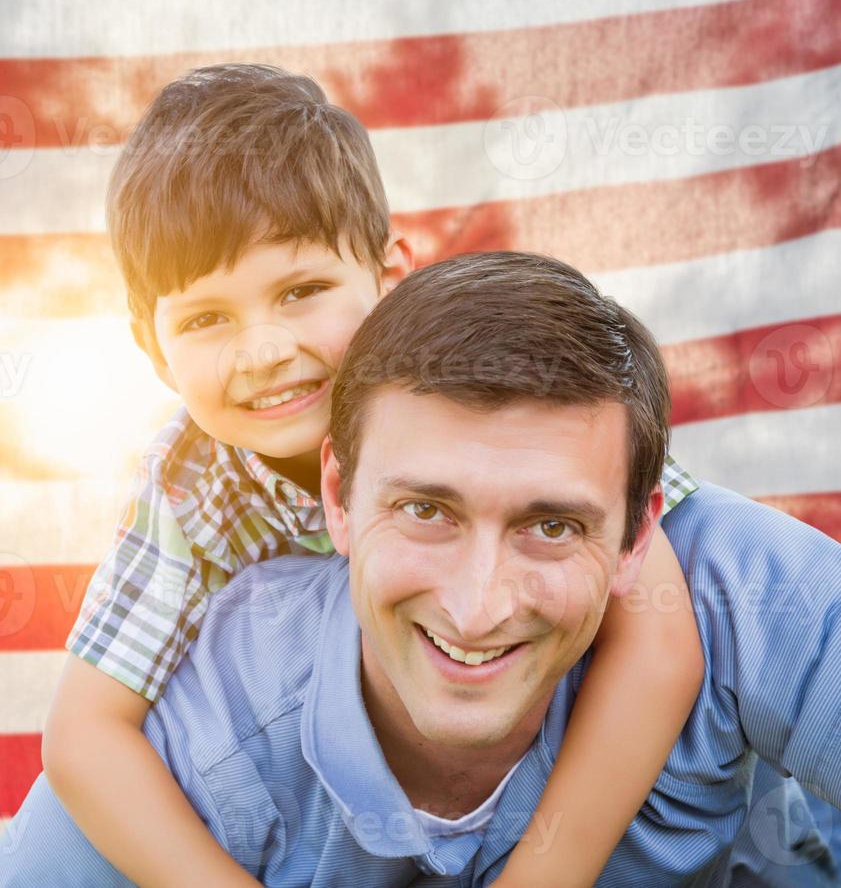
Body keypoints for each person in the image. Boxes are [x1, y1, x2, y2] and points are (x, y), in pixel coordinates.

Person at [0, 251, 841, 885]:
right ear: (337, 498)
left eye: (550, 524)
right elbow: (83, 745)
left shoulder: (742, 587)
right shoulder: (217, 719)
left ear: (634, 533)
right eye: (426, 511)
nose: (474, 608)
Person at [42, 64, 704, 886]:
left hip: (538, 771)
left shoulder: (498, 385)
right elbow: (84, 734)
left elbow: (660, 639)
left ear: (387, 277)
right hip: (329, 812)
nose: (263, 351)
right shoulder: (191, 486)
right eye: (207, 318)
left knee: (727, 564)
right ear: (151, 347)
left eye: (301, 290)